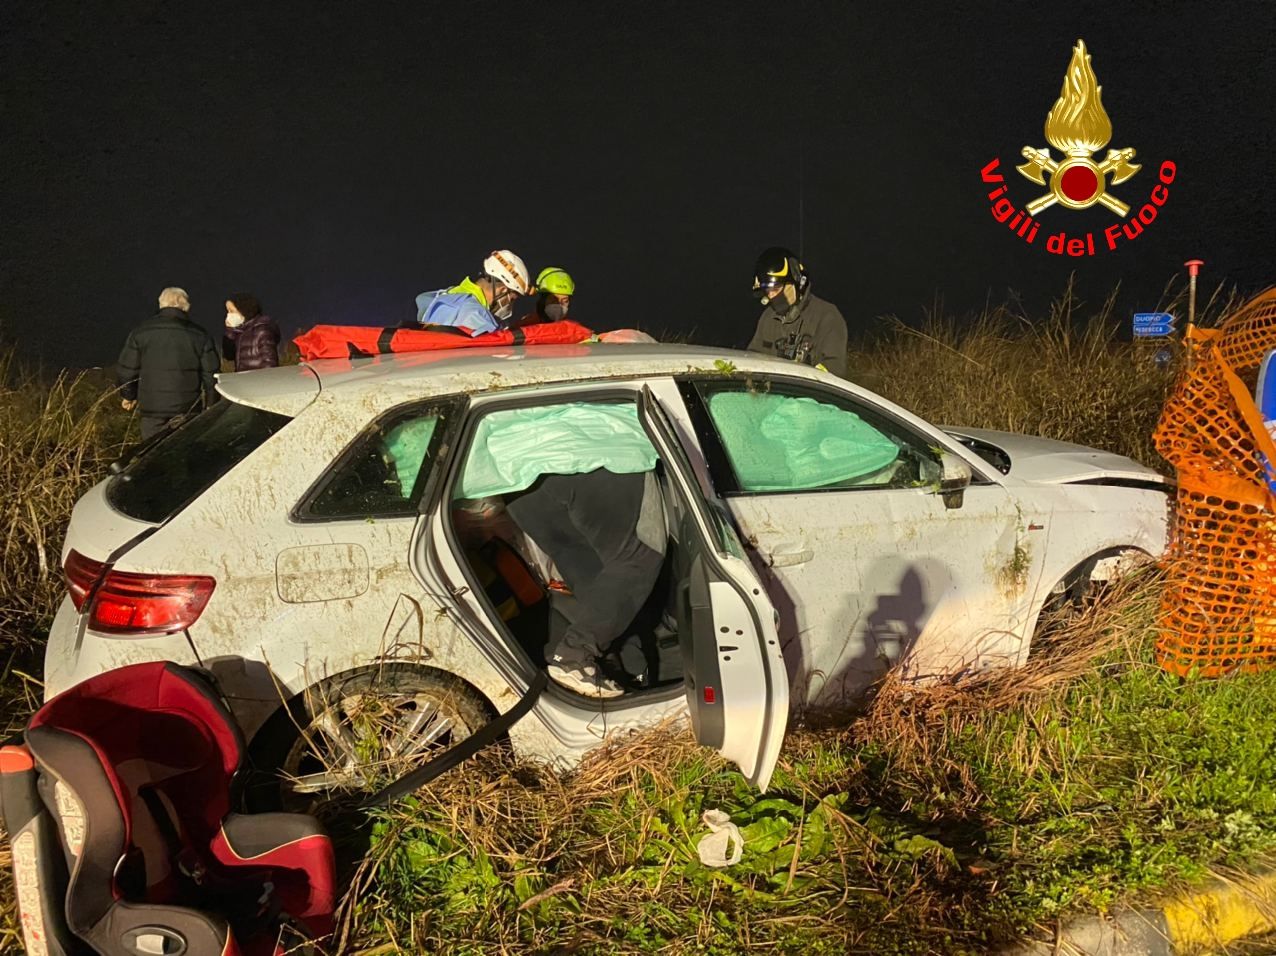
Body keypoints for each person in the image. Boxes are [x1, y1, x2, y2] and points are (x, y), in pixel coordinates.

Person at [505, 468, 667, 699]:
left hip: (519, 482)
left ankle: (620, 669)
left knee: (590, 569)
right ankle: (575, 656)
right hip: (591, 461)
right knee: (639, 555)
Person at [117, 287, 220, 439]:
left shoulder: (141, 332)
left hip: (152, 408)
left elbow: (127, 369)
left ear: (161, 304)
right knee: (183, 452)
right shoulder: (199, 334)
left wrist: (129, 395)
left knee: (152, 454)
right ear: (186, 306)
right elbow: (211, 374)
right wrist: (211, 404)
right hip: (187, 407)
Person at [747, 247, 849, 377]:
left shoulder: (827, 316)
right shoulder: (768, 318)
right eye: (767, 290)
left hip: (809, 395)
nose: (771, 295)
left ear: (797, 282)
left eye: (776, 288)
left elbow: (834, 369)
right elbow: (753, 358)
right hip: (771, 393)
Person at [412, 249, 532, 335]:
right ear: (503, 290)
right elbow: (501, 347)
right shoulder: (476, 315)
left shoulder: (445, 296)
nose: (510, 306)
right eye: (511, 299)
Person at [222, 292, 281, 371]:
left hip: (257, 381)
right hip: (244, 380)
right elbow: (228, 355)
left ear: (243, 310)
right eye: (228, 311)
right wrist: (230, 331)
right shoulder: (239, 332)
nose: (229, 315)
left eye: (232, 311)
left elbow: (270, 363)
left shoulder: (262, 331)